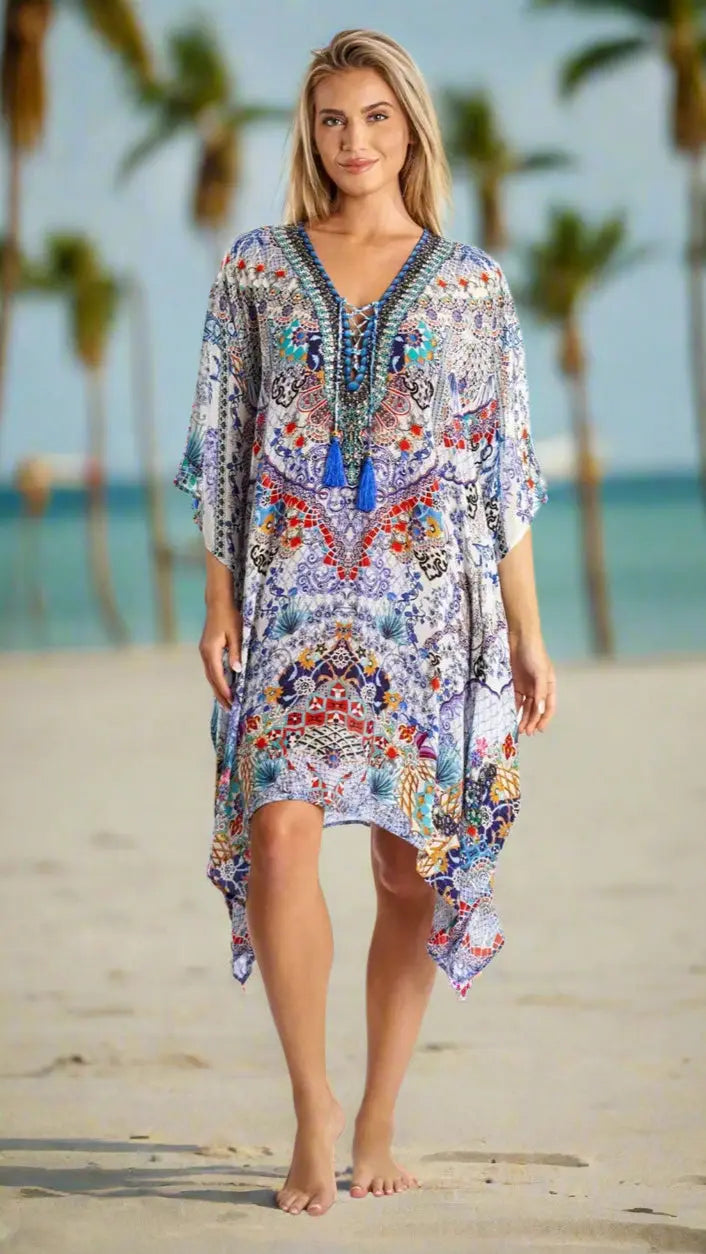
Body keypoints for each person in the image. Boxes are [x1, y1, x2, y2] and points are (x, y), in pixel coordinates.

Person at [174, 26, 556, 1219]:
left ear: (410, 128)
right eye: (333, 120)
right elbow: (223, 446)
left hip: (429, 611)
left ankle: (382, 1111)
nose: (353, 141)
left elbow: (504, 472)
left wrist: (528, 636)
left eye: (375, 117)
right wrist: (219, 598)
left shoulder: (471, 283)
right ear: (310, 132)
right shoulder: (251, 268)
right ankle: (315, 1109)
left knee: (406, 872)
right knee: (279, 835)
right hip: (292, 599)